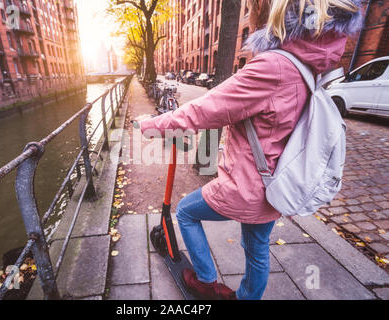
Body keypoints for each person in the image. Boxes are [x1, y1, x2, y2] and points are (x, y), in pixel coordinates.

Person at [137, 0, 363, 300]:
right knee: (256, 248)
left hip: (247, 185)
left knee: (186, 213)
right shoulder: (308, 67)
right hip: (276, 183)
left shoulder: (273, 66)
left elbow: (205, 109)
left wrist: (150, 125)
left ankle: (205, 281)